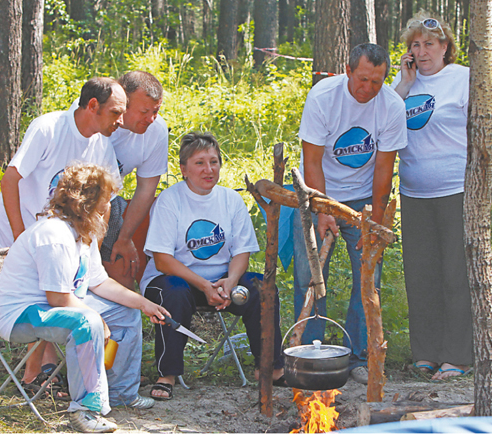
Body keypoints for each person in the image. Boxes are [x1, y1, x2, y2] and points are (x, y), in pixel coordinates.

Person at [0, 78, 155, 409]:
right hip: (27, 229)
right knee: (57, 303)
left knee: (100, 307)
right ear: (92, 106)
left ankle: (101, 388)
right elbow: (10, 180)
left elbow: (107, 200)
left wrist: (91, 239)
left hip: (70, 232)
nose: (120, 121)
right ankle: (38, 380)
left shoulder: (101, 145)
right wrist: (23, 237)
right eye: (115, 112)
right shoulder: (49, 127)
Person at [0, 164, 170, 433]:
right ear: (87, 203)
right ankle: (85, 410)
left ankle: (122, 393)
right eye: (106, 200)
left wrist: (143, 303)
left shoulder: (83, 234)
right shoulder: (54, 235)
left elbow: (98, 282)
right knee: (87, 322)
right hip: (20, 314)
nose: (110, 207)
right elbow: (57, 298)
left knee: (126, 312)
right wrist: (97, 317)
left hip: (57, 305)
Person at [293, 43, 408, 385]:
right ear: (347, 71)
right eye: (362, 79)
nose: (367, 88)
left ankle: (358, 355)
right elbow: (312, 160)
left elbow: (384, 169)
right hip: (318, 193)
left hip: (362, 200)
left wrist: (374, 218)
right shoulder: (323, 98)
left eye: (376, 81)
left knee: (366, 277)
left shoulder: (391, 106)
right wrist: (321, 208)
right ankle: (311, 351)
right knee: (309, 274)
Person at [140, 133, 285, 400]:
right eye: (199, 163)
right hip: (174, 278)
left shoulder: (231, 200)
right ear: (183, 169)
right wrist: (204, 285)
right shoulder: (170, 201)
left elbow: (242, 252)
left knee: (263, 288)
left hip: (221, 282)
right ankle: (167, 375)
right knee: (174, 292)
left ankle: (270, 368)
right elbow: (162, 260)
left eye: (214, 162)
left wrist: (230, 281)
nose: (209, 170)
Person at [391, 12, 472, 380]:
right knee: (420, 275)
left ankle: (457, 354)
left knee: (456, 273)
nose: (422, 52)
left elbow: (482, 132)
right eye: (415, 45)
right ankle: (426, 352)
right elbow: (385, 122)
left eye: (429, 44)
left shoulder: (463, 79)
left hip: (455, 190)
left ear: (445, 47)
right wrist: (405, 85)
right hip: (414, 192)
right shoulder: (404, 83)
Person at [99, 71, 168, 290]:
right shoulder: (94, 116)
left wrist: (125, 237)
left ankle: (123, 322)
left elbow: (146, 189)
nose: (151, 119)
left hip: (110, 204)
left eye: (156, 111)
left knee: (123, 269)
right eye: (144, 111)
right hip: (71, 206)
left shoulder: (156, 131)